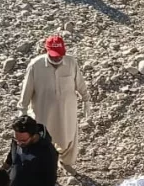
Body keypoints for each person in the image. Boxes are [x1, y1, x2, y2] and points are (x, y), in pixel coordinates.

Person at [19, 35, 91, 169]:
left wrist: (86, 99)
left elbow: (79, 83)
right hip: (43, 112)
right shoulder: (36, 65)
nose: (57, 58)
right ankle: (45, 166)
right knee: (43, 139)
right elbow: (27, 89)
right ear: (46, 51)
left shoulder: (71, 63)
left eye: (60, 55)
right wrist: (22, 111)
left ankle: (66, 162)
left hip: (67, 111)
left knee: (68, 138)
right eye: (54, 55)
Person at [4, 115, 59, 186]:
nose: (19, 143)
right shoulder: (18, 140)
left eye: (23, 141)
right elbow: (11, 155)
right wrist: (3, 170)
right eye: (17, 139)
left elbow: (50, 177)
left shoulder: (47, 152)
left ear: (34, 136)